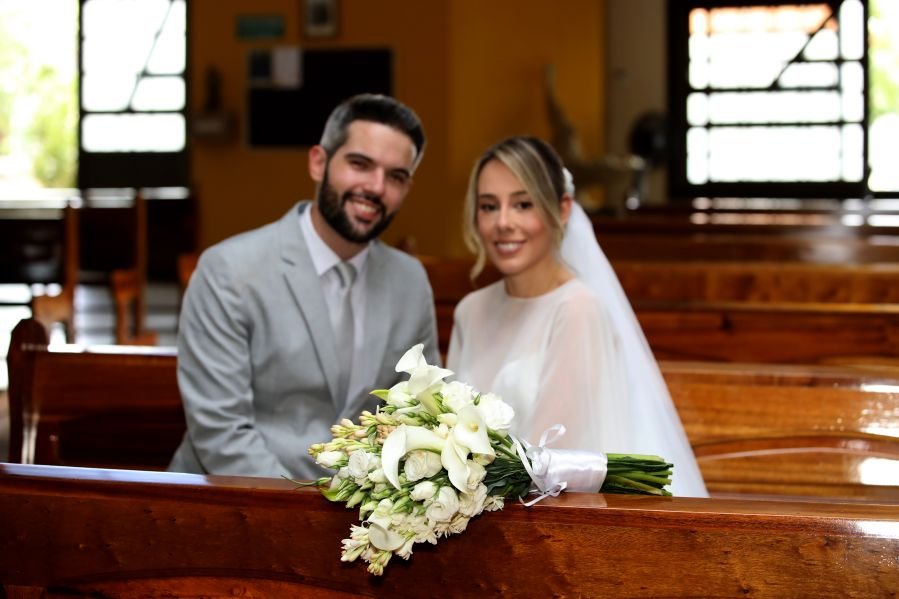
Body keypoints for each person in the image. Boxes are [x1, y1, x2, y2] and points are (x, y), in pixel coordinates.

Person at [169, 94, 441, 480]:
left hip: (362, 521)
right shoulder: (229, 270)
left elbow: (418, 411)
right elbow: (222, 433)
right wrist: (304, 522)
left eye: (395, 176)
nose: (376, 187)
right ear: (319, 162)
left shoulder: (409, 280)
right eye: (360, 164)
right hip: (230, 503)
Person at [446, 136, 707, 497]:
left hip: (549, 517)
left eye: (523, 204)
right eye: (489, 206)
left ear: (563, 209)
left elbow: (552, 463)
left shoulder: (577, 310)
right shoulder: (470, 311)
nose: (503, 222)